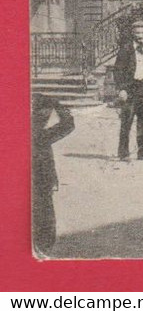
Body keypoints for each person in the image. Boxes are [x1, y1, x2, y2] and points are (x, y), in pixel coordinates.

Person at [31, 95, 75, 256]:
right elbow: (68, 124)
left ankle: (40, 248)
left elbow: (68, 124)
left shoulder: (44, 104)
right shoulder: (40, 134)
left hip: (38, 169)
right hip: (37, 170)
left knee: (41, 206)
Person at [113, 16, 143, 161]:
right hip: (130, 88)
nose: (140, 36)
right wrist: (121, 89)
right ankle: (123, 154)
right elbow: (118, 70)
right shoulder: (126, 48)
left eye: (142, 33)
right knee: (126, 121)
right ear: (132, 33)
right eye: (137, 33)